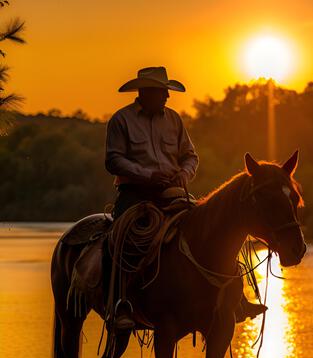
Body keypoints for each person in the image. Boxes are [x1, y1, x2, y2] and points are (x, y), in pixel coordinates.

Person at [105, 66, 266, 331]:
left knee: (213, 229)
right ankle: (120, 303)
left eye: (167, 92)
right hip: (135, 194)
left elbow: (191, 155)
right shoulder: (121, 120)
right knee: (124, 237)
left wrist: (184, 173)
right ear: (146, 92)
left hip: (173, 192)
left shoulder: (174, 120)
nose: (167, 97)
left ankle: (237, 298)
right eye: (162, 92)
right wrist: (147, 175)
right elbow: (113, 160)